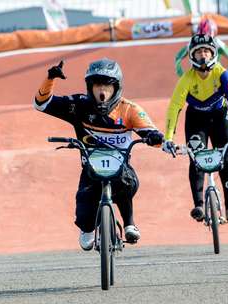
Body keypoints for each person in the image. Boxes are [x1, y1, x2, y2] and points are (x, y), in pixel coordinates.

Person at [33, 58, 164, 250]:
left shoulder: (130, 109)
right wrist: (50, 78)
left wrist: (155, 137)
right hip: (91, 170)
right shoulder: (78, 105)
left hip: (120, 169)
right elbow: (41, 104)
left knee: (128, 184)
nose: (102, 92)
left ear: (117, 88)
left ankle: (129, 223)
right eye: (96, 86)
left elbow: (152, 133)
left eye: (107, 86)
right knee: (84, 207)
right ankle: (87, 230)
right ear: (89, 87)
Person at [163, 34, 228, 224]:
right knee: (196, 159)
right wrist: (168, 138)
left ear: (213, 54)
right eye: (198, 52)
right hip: (196, 119)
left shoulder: (223, 74)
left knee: (226, 160)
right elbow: (174, 107)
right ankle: (198, 204)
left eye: (206, 51)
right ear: (192, 57)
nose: (203, 55)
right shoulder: (186, 79)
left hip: (220, 117)